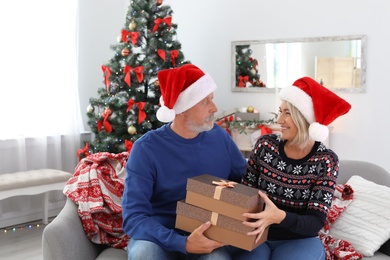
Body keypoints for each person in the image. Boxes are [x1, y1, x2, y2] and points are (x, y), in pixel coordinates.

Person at [122, 64, 257, 260]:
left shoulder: (220, 137)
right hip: (158, 235)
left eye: (212, 99)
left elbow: (247, 181)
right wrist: (182, 243)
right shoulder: (146, 149)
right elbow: (133, 217)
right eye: (205, 102)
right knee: (144, 254)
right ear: (182, 109)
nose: (215, 108)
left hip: (208, 231)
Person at [240, 76, 352, 260]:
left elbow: (315, 221)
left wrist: (279, 217)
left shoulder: (325, 160)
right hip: (258, 233)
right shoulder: (265, 146)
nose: (279, 119)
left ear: (304, 119)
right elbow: (245, 192)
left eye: (287, 113)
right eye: (280, 111)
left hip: (300, 239)